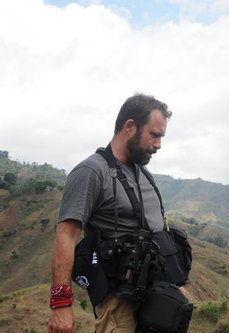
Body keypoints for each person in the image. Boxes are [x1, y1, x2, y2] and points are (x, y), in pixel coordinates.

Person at [48, 94, 177, 332]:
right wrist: (61, 303)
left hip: (156, 299)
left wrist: (175, 284)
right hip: (119, 304)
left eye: (161, 137)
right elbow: (66, 236)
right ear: (130, 126)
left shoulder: (142, 172)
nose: (158, 144)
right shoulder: (91, 172)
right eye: (154, 135)